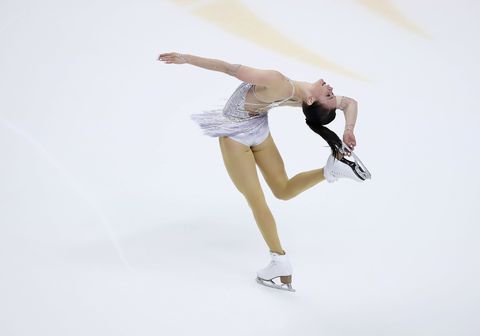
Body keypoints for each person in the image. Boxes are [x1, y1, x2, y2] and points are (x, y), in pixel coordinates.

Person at [157, 52, 368, 292]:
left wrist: (186, 59)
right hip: (259, 129)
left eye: (329, 94)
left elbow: (228, 67)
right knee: (283, 190)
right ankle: (329, 171)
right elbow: (350, 103)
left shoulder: (277, 80)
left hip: (236, 134)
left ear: (310, 101)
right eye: (331, 93)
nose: (331, 88)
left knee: (257, 201)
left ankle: (279, 260)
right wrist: (348, 129)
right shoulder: (305, 96)